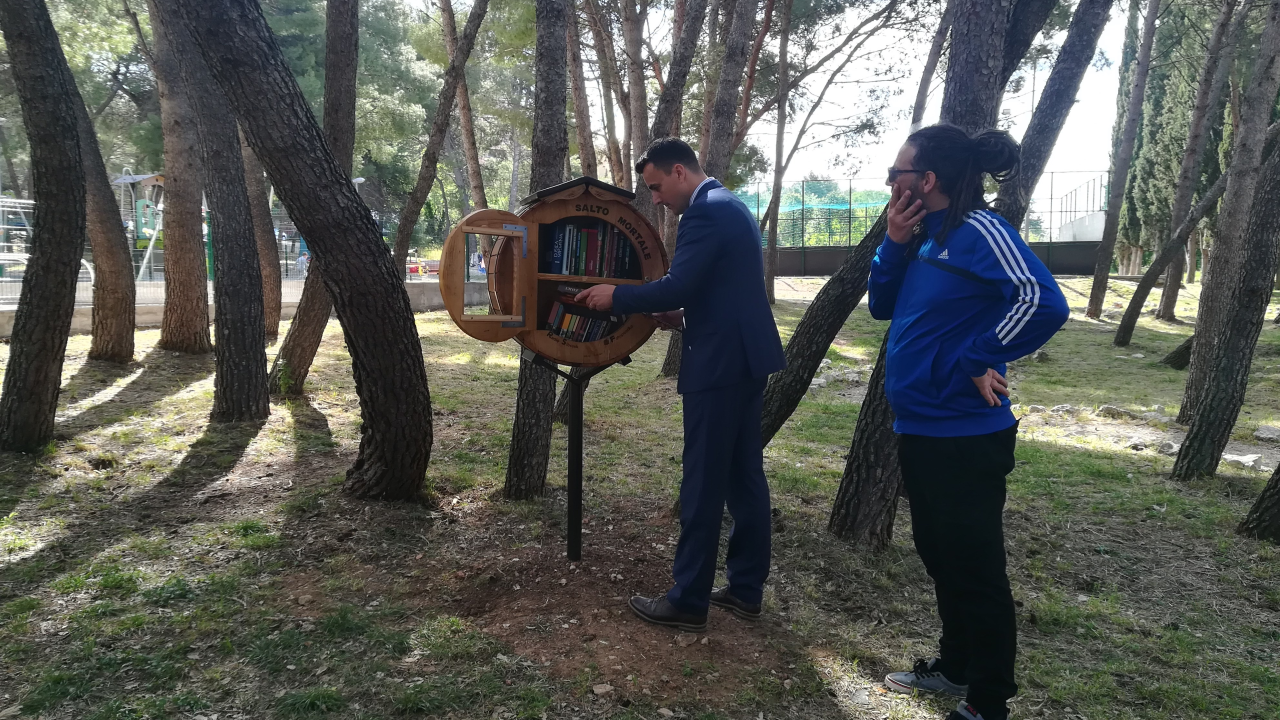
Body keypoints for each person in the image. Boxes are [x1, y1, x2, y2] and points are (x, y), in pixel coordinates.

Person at [869, 124, 1069, 720]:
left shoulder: (981, 230)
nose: (890, 182)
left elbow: (1043, 299)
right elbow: (882, 306)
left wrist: (980, 354)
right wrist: (893, 243)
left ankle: (988, 700)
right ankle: (956, 667)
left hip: (966, 434)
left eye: (896, 174)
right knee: (939, 551)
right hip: (920, 427)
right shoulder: (926, 238)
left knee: (975, 564)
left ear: (926, 180)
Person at [575, 137, 785, 632]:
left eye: (656, 187)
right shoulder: (730, 204)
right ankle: (746, 589)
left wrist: (617, 296)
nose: (656, 200)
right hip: (744, 358)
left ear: (680, 172)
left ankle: (688, 600)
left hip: (720, 367)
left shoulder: (704, 212)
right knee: (743, 477)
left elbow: (681, 284)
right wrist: (684, 317)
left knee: (704, 482)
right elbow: (722, 292)